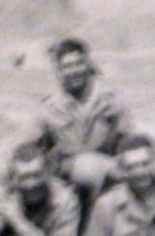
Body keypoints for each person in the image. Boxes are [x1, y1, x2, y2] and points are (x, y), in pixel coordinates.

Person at [35, 37, 133, 186]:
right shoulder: (50, 109)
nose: (74, 71)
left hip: (109, 180)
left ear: (88, 65)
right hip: (67, 183)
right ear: (59, 71)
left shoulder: (111, 102)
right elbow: (32, 149)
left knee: (89, 167)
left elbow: (129, 142)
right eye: (67, 66)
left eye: (78, 63)